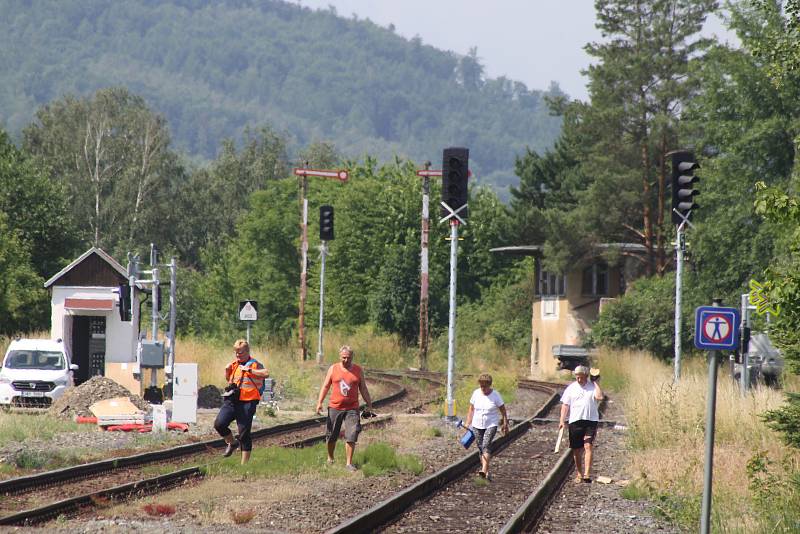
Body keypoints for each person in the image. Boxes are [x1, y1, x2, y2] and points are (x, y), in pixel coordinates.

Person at [315, 345, 373, 471]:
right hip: (335, 407)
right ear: (340, 356)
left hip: (352, 408)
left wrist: (369, 403)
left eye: (348, 358)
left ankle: (348, 463)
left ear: (352, 357)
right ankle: (330, 458)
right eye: (344, 358)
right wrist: (319, 402)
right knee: (331, 435)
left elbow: (363, 388)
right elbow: (325, 386)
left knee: (352, 433)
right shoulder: (333, 368)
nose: (346, 360)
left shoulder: (358, 370)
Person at [213, 339, 269, 464]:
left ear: (247, 351)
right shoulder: (234, 364)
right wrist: (227, 371)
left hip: (248, 401)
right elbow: (230, 379)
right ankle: (232, 443)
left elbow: (266, 373)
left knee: (243, 433)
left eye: (241, 353)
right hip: (232, 400)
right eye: (236, 353)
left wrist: (249, 370)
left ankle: (244, 465)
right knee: (219, 424)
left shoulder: (255, 364)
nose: (238, 355)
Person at [559, 365, 603, 482]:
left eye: (581, 377)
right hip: (575, 421)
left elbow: (599, 397)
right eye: (577, 377)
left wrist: (596, 383)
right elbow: (565, 405)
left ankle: (587, 474)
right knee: (577, 449)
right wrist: (562, 420)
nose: (579, 379)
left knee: (588, 445)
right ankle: (579, 474)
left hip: (591, 420)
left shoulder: (592, 386)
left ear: (586, 376)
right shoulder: (571, 388)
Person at [464, 373, 509, 480]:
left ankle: (483, 469)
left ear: (489, 385)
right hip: (476, 425)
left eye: (485, 386)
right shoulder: (476, 393)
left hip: (491, 424)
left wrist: (505, 423)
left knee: (486, 445)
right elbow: (471, 409)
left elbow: (503, 410)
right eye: (481, 386)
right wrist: (467, 423)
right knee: (480, 448)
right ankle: (487, 472)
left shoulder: (496, 395)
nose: (483, 388)